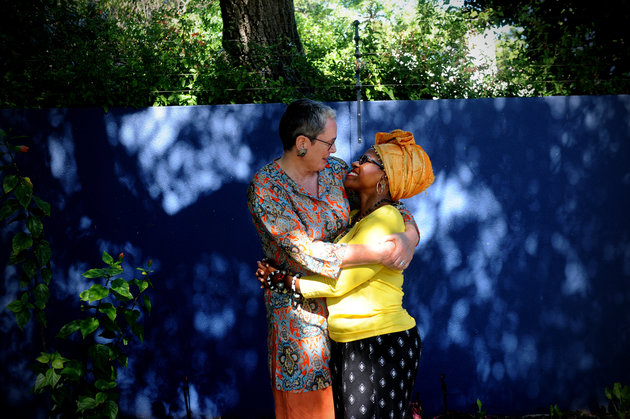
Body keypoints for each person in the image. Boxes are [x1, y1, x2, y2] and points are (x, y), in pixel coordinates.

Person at [247, 99, 421, 419]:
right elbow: (305, 251)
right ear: (302, 144)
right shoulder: (266, 189)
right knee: (310, 410)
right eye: (329, 142)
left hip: (351, 325)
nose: (336, 148)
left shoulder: (335, 173)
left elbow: (387, 202)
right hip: (300, 321)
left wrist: (409, 238)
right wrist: (378, 253)